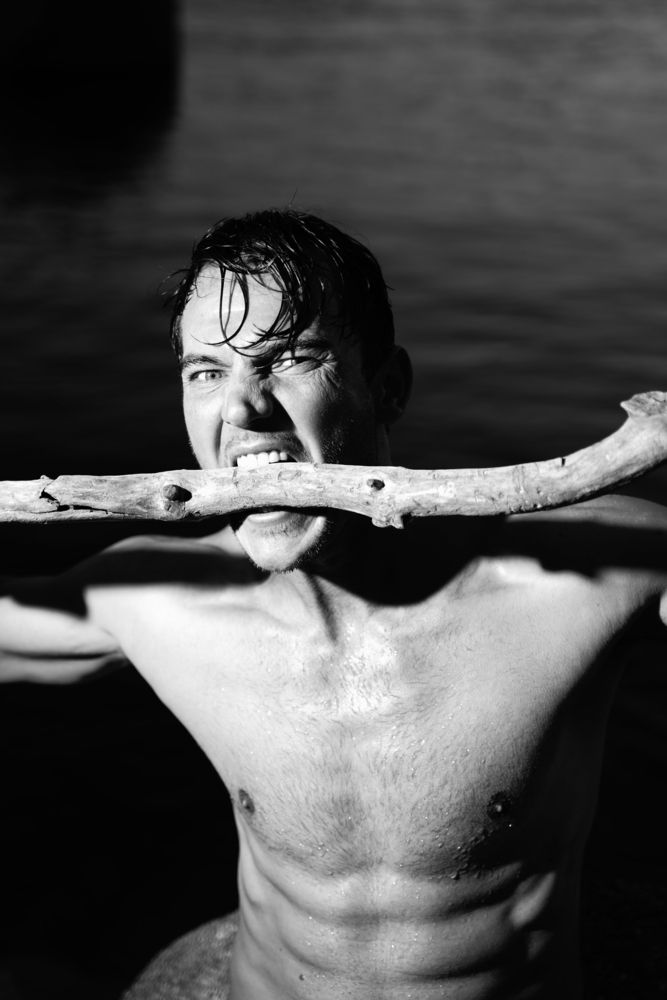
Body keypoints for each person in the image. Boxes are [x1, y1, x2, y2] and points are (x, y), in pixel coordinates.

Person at [1, 208, 666, 1000]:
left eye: (291, 360)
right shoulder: (157, 599)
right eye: (206, 372)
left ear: (386, 388)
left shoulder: (582, 574)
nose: (243, 411)